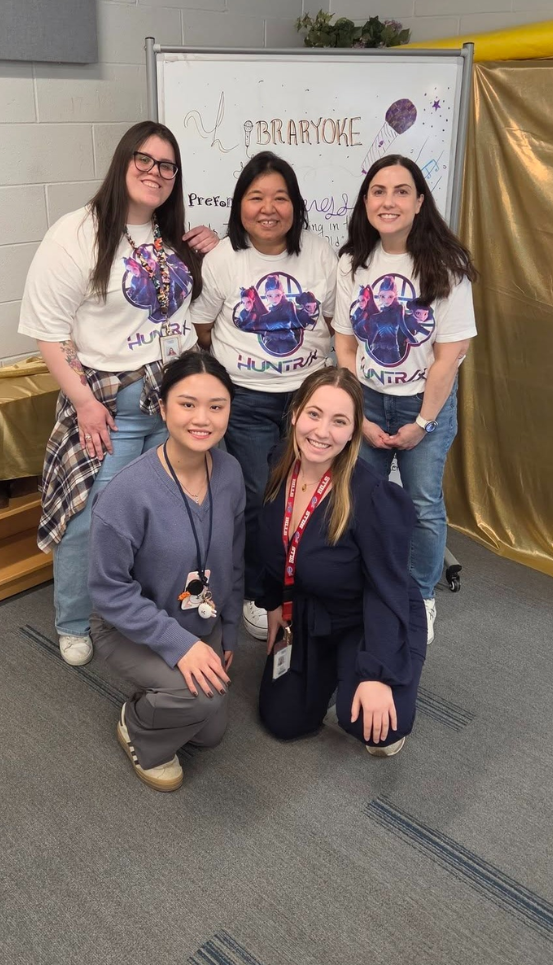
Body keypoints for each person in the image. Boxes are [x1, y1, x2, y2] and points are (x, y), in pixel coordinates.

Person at [18, 120, 217, 667]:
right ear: (123, 161)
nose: (155, 172)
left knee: (169, 512)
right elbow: (48, 330)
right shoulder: (76, 233)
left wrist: (209, 250)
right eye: (144, 160)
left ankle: (151, 606)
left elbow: (184, 308)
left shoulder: (168, 236)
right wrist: (84, 402)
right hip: (110, 409)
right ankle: (73, 620)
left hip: (175, 401)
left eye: (167, 166)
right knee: (89, 517)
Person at [191, 151, 338, 642]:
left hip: (308, 401)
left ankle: (307, 583)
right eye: (256, 197)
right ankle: (261, 591)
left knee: (310, 496)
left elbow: (339, 326)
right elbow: (202, 325)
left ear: (296, 204)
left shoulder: (321, 254)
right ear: (240, 205)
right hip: (247, 402)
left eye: (280, 197)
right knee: (259, 495)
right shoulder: (223, 259)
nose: (268, 208)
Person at [88, 350, 247, 792]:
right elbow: (108, 592)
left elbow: (234, 559)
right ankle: (136, 726)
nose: (203, 419)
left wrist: (228, 630)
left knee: (210, 734)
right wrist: (180, 646)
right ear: (162, 408)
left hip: (200, 613)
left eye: (216, 407)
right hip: (128, 627)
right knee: (201, 698)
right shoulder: (127, 493)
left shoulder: (230, 472)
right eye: (187, 404)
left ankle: (165, 695)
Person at [332, 155, 476, 641]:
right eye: (378, 190)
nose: (387, 201)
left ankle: (420, 596)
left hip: (425, 405)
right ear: (366, 200)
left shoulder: (447, 266)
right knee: (362, 498)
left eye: (400, 191)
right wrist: (357, 414)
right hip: (367, 399)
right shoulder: (352, 262)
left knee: (421, 503)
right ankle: (367, 584)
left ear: (418, 202)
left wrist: (424, 423)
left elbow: (448, 356)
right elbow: (346, 345)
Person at [251, 366, 427, 755]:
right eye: (314, 414)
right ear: (295, 412)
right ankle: (332, 671)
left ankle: (388, 671)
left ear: (353, 431)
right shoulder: (282, 462)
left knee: (372, 725)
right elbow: (273, 545)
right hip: (310, 612)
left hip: (364, 616)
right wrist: (275, 602)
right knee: (283, 721)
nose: (322, 431)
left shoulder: (373, 497)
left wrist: (378, 673)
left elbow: (386, 588)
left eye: (339, 421)